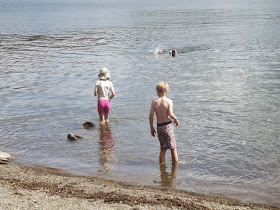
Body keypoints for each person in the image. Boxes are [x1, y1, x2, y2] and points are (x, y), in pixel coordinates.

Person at [149, 81, 179, 165]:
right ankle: (175, 165)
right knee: (173, 147)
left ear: (157, 91)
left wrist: (151, 127)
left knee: (163, 148)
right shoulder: (169, 101)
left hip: (159, 127)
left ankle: (161, 166)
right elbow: (170, 114)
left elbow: (151, 116)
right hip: (167, 126)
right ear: (166, 91)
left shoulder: (154, 102)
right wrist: (175, 118)